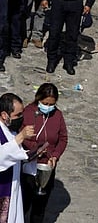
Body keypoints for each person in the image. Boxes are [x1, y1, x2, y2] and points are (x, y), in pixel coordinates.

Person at [20, 83, 67, 223]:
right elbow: (19, 135)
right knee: (23, 204)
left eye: (51, 104)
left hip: (46, 167)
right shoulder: (28, 112)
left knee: (39, 208)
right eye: (45, 103)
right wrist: (35, 149)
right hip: (28, 166)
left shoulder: (57, 115)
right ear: (38, 99)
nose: (47, 106)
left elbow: (63, 139)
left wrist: (55, 155)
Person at [0, 93, 35, 223]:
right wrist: (20, 137)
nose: (21, 118)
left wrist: (31, 154)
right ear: (4, 115)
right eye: (18, 115)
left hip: (13, 187)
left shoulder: (10, 130)